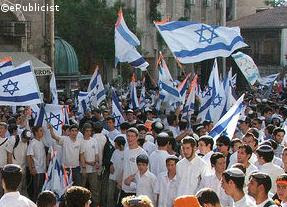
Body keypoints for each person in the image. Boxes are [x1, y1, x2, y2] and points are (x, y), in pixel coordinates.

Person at [119, 127, 148, 205]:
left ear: (137, 137)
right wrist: (120, 179)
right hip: (124, 188)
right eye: (128, 136)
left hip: (135, 189)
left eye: (132, 136)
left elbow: (145, 170)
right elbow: (124, 166)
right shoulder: (126, 149)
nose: (129, 138)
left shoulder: (142, 153)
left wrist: (131, 178)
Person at [80, 123, 99, 207]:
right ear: (83, 131)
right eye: (87, 131)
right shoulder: (80, 141)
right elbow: (80, 156)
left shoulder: (94, 140)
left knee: (94, 189)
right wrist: (88, 163)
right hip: (83, 169)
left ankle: (95, 205)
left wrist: (97, 162)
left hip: (93, 169)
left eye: (90, 131)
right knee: (82, 189)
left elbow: (96, 154)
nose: (88, 133)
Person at [27, 126, 47, 202]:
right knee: (36, 190)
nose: (42, 132)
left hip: (42, 169)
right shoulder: (33, 142)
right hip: (36, 170)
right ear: (36, 132)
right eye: (41, 131)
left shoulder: (41, 141)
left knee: (41, 189)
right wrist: (31, 168)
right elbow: (29, 156)